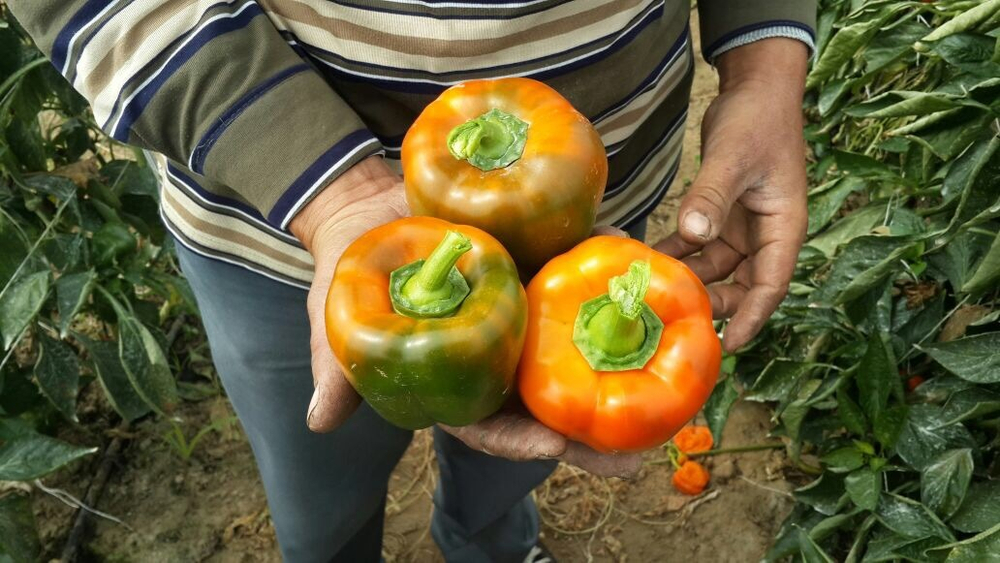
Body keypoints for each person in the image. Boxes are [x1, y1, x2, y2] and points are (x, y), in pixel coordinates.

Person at [10, 1, 814, 561]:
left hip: (592, 239)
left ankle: (490, 544)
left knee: (516, 462)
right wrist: (329, 196)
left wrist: (764, 63)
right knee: (318, 490)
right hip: (273, 234)